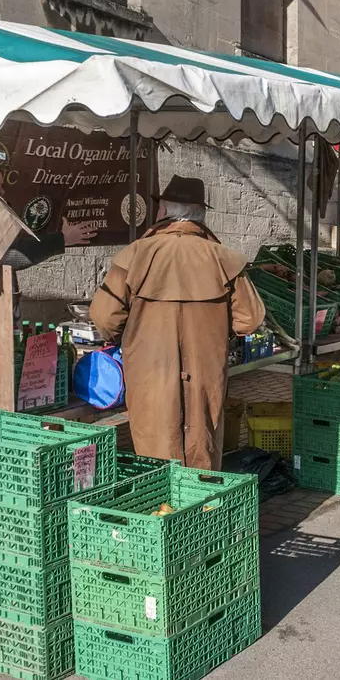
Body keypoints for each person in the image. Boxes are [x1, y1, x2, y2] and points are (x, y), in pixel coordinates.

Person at [89, 176, 266, 469]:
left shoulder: (136, 254)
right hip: (206, 372)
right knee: (202, 448)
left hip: (149, 371)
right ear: (202, 214)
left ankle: (163, 508)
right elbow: (250, 319)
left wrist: (125, 338)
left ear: (163, 211)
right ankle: (201, 509)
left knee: (154, 449)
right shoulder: (224, 259)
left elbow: (104, 316)